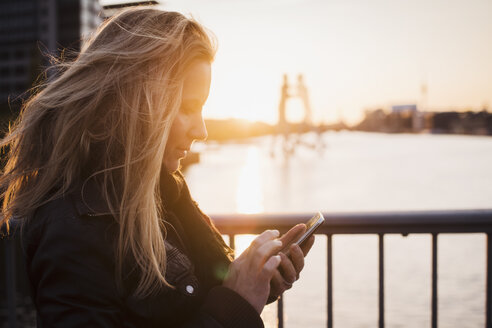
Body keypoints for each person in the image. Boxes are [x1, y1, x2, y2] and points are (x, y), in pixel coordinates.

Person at [0, 8, 314, 328]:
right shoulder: (71, 233)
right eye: (187, 108)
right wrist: (235, 304)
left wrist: (257, 280)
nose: (201, 131)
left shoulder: (163, 189)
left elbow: (208, 288)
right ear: (138, 103)